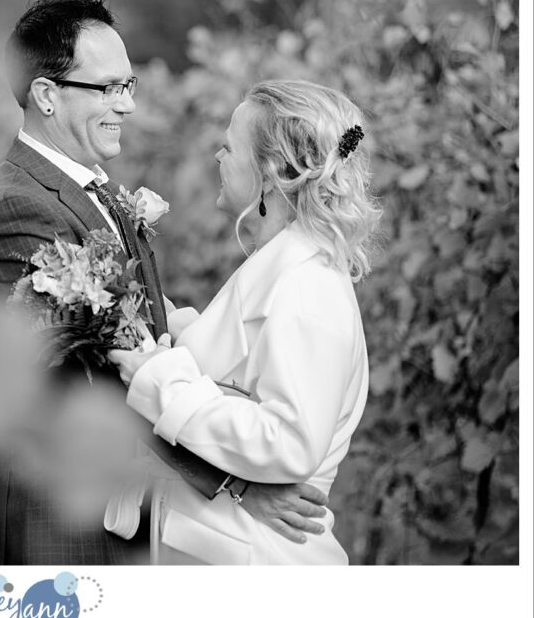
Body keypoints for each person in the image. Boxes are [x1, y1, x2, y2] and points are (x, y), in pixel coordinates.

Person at [0, 0, 330, 565]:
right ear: (47, 95)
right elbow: (94, 374)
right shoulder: (16, 210)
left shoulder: (94, 190)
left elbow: (136, 335)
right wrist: (236, 482)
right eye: (107, 89)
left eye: (128, 85)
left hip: (129, 508)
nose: (127, 105)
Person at [109, 79, 382, 564]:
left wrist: (161, 379)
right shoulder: (282, 266)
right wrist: (168, 325)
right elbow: (242, 370)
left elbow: (291, 442)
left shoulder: (307, 287)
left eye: (229, 146)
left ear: (274, 170)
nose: (217, 156)